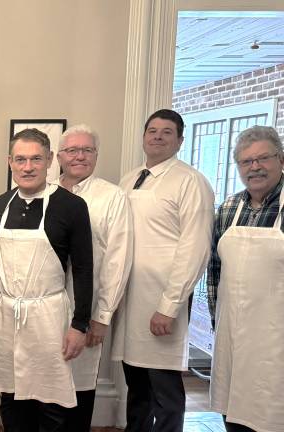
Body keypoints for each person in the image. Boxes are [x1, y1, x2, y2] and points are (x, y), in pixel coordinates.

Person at [111, 109, 214, 431]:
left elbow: (195, 248)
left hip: (161, 300)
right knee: (136, 384)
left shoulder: (190, 181)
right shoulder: (129, 179)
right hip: (130, 300)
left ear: (180, 140)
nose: (157, 136)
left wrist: (169, 306)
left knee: (164, 389)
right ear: (143, 137)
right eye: (152, 130)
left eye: (167, 132)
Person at [0, 128, 94, 431]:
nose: (27, 167)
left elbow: (84, 269)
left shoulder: (71, 206)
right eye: (20, 159)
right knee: (11, 395)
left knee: (50, 401)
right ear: (10, 162)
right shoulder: (1, 204)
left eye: (35, 159)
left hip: (49, 317)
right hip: (6, 315)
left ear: (49, 161)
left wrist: (80, 324)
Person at [55, 125, 134, 431]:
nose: (80, 157)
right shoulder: (46, 193)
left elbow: (118, 259)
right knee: (47, 384)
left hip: (85, 309)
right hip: (44, 308)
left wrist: (101, 317)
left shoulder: (112, 197)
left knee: (79, 385)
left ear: (96, 156)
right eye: (72, 150)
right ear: (59, 156)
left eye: (87, 150)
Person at [206, 126, 284, 432]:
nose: (255, 167)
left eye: (263, 158)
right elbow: (214, 270)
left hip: (275, 340)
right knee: (234, 414)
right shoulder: (228, 209)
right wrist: (217, 320)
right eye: (246, 161)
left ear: (281, 159)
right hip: (232, 336)